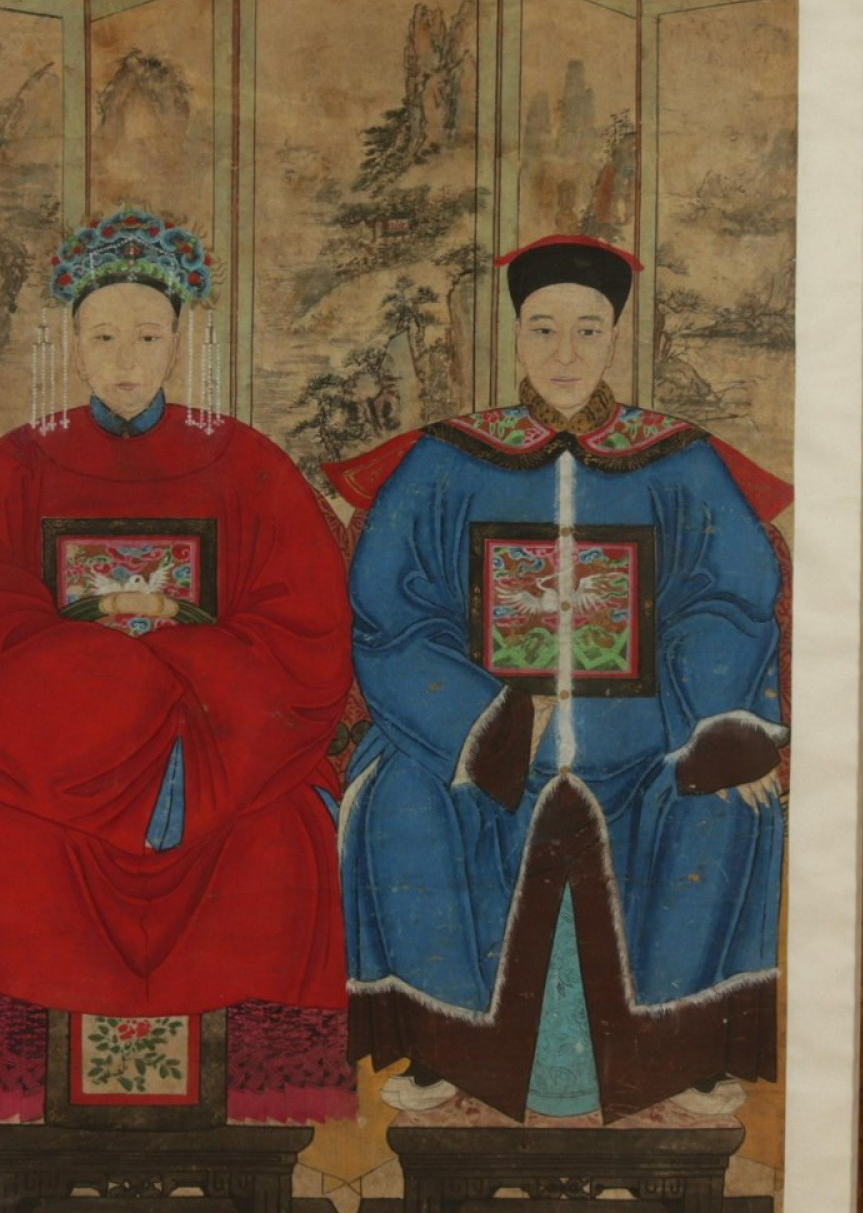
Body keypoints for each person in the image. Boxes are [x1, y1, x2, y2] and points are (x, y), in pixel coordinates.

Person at [330, 235, 790, 1123]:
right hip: (485, 726)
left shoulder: (680, 458)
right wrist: (492, 720)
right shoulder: (448, 459)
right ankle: (444, 1048)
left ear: (616, 336)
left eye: (587, 330)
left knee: (721, 805)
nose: (566, 353)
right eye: (543, 329)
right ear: (516, 337)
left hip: (651, 728)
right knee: (400, 800)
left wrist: (714, 724)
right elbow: (391, 610)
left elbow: (729, 600)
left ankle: (685, 1054)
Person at [0, 209, 355, 1119]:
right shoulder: (16, 464)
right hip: (51, 741)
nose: (125, 361)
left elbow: (302, 626)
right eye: (104, 337)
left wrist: (175, 644)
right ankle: (13, 1102)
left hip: (218, 745)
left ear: (180, 341)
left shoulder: (247, 463)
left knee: (284, 830)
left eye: (148, 337)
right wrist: (111, 642)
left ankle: (255, 1110)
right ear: (72, 342)